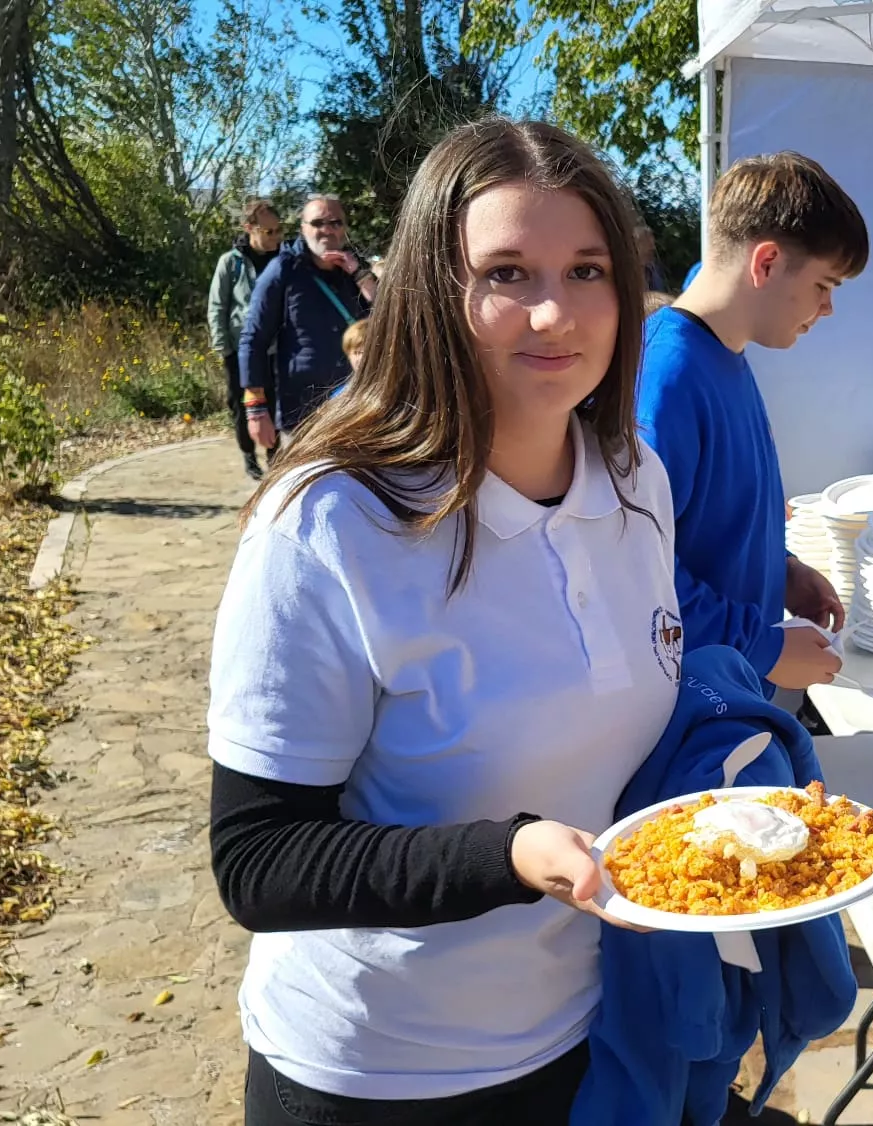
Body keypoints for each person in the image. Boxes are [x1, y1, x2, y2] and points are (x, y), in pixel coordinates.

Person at [206, 118, 676, 1123]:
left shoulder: (637, 479)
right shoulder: (332, 519)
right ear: (429, 290)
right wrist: (503, 855)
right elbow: (259, 860)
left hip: (584, 1034)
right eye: (506, 273)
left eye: (588, 269)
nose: (555, 311)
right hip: (377, 1074)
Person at [637, 153, 868, 691]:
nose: (828, 308)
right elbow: (637, 573)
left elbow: (718, 518)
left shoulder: (726, 353)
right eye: (823, 285)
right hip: (688, 715)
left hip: (730, 691)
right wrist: (760, 645)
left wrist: (782, 570)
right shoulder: (666, 377)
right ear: (765, 263)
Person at [238, 194, 378, 450]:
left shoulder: (355, 268)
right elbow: (253, 339)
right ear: (303, 228)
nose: (326, 230)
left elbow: (388, 320)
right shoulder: (283, 270)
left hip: (359, 411)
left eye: (335, 223)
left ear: (344, 227)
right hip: (304, 416)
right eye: (317, 223)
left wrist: (360, 275)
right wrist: (256, 410)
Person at [207, 200, 282, 479]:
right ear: (249, 228)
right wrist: (223, 346)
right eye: (268, 231)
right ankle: (249, 455)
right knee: (241, 403)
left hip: (276, 346)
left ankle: (275, 455)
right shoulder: (230, 262)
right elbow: (217, 305)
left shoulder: (282, 259)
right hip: (239, 349)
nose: (275, 237)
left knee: (275, 402)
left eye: (278, 230)